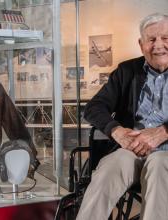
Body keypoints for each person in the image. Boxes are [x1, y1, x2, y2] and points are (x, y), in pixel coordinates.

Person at [76, 13, 168, 220]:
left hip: (165, 154)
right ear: (141, 44)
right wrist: (115, 130)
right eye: (151, 39)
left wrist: (163, 132)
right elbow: (94, 107)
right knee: (110, 166)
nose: (158, 45)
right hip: (132, 150)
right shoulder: (127, 70)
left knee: (160, 164)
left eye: (165, 38)